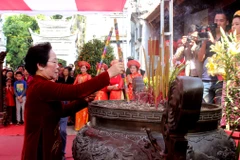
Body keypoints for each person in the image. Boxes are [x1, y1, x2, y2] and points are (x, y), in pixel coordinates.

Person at [21, 42, 124, 159]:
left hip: (49, 145)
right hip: (39, 150)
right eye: (54, 62)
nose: (57, 66)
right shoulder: (40, 86)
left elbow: (62, 111)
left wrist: (84, 101)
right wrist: (108, 73)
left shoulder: (42, 84)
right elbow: (76, 91)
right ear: (40, 65)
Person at [198, 9, 229, 105]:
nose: (218, 23)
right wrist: (204, 41)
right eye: (216, 20)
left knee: (220, 108)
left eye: (221, 20)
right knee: (205, 108)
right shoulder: (209, 36)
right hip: (206, 79)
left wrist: (213, 41)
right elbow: (200, 58)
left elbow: (226, 54)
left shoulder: (228, 38)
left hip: (220, 80)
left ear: (227, 22)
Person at [57, 67, 74, 159]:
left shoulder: (71, 79)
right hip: (52, 110)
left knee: (63, 131)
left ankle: (62, 152)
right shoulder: (48, 82)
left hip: (64, 105)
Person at [73, 61, 92, 131]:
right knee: (78, 110)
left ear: (86, 69)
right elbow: (74, 85)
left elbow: (90, 86)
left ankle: (84, 127)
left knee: (84, 110)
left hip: (85, 96)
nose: (82, 69)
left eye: (84, 68)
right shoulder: (78, 76)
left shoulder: (88, 76)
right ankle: (78, 126)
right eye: (81, 68)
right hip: (78, 95)